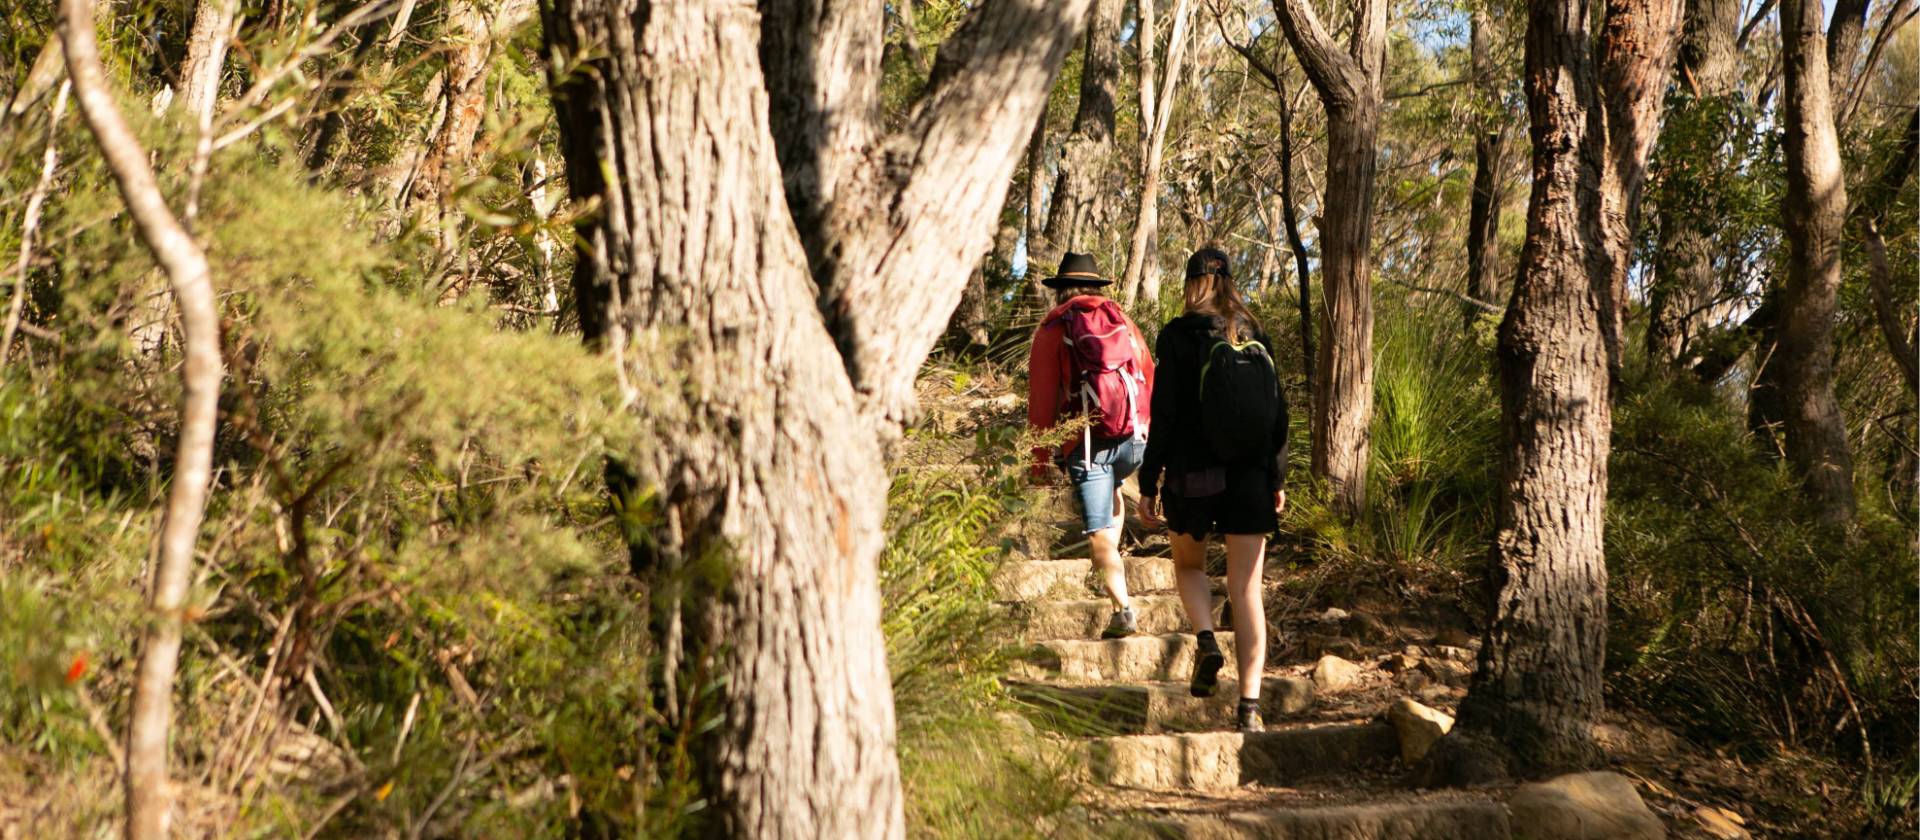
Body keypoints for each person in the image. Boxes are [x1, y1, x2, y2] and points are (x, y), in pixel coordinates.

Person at [1136, 246, 1289, 733]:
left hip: (1192, 474)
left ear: (1191, 283)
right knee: (1247, 589)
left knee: (1189, 566)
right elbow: (1278, 414)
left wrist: (1149, 481)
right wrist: (1277, 478)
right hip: (1250, 477)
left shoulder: (1178, 334)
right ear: (1229, 281)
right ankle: (1249, 708)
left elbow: (1165, 413)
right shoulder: (1254, 331)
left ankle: (1205, 639)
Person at [1027, 252, 1156, 638]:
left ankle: (1124, 609)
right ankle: (1113, 568)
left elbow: (1041, 401)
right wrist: (1148, 430)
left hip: (1087, 442)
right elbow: (1148, 374)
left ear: (1060, 290)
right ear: (1096, 287)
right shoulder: (1123, 322)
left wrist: (1038, 462)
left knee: (1098, 533)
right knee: (1114, 489)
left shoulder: (1053, 329)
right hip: (1134, 440)